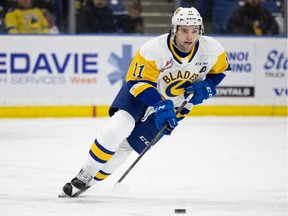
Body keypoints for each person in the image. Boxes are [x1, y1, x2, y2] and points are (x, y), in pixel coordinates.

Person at [60, 7, 231, 197]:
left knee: (129, 146)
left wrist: (208, 84)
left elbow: (222, 70)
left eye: (194, 30)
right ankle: (85, 174)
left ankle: (90, 182)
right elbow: (137, 81)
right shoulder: (154, 49)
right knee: (118, 126)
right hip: (142, 94)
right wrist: (158, 103)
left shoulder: (212, 49)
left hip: (176, 104)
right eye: (184, 30)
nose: (189, 36)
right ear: (174, 30)